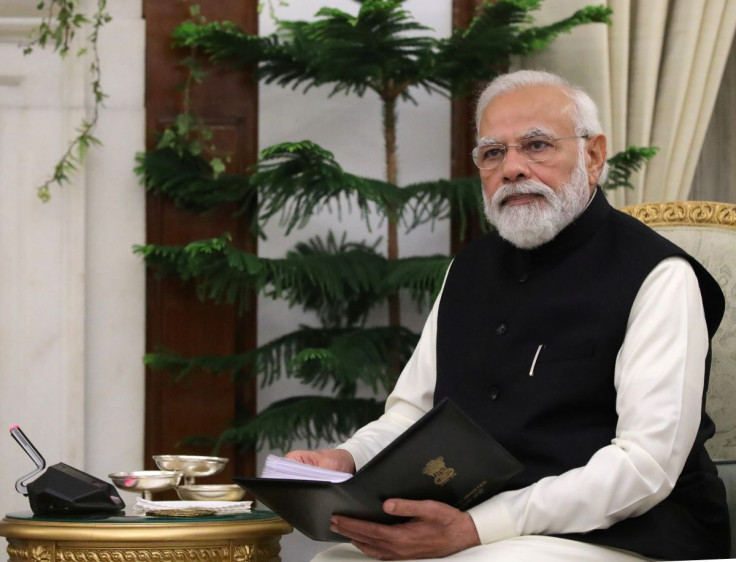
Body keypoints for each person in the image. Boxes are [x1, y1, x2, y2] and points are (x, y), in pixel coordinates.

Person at [287, 70, 730, 561]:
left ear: (594, 154)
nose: (513, 168)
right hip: (478, 526)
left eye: (537, 146)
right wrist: (346, 458)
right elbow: (415, 412)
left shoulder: (658, 274)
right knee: (334, 559)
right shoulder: (470, 267)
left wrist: (479, 528)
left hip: (631, 533)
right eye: (493, 152)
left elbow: (645, 465)